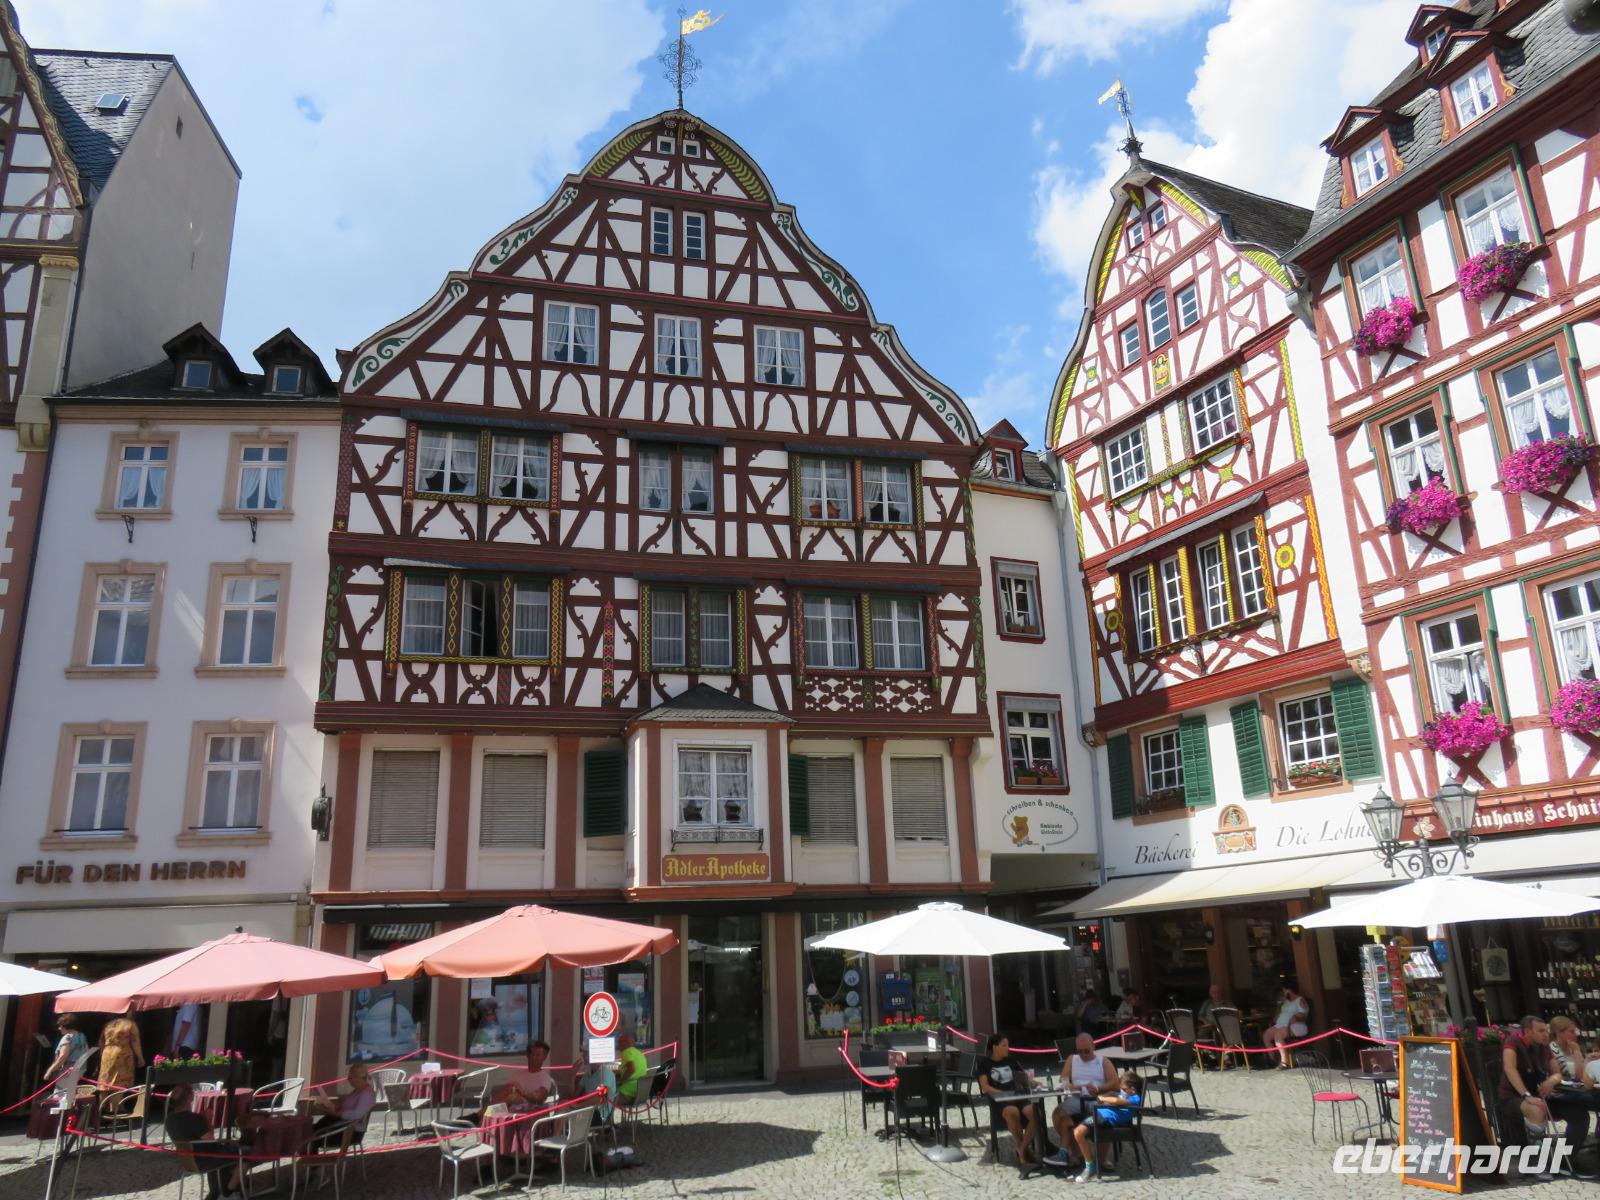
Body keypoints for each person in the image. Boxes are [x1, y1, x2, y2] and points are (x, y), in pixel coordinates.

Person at [1058, 1071, 1143, 1184]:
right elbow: (1116, 1095)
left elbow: (1117, 1100)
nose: (1121, 1090)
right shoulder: (1127, 1094)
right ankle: (1063, 1153)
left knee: (1078, 1132)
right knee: (1065, 1121)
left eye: (1122, 1088)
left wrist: (1102, 1098)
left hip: (1105, 1118)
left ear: (1132, 1089)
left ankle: (1090, 1166)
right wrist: (1112, 1093)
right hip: (1098, 1114)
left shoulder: (1135, 1098)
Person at [1050, 1031, 1118, 1165]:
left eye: (1086, 1051)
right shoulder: (1072, 1059)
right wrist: (1075, 1087)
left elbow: (1115, 1083)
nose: (1083, 1055)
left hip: (1096, 1098)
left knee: (1103, 1116)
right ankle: (1077, 1151)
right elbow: (1063, 1081)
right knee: (1058, 1114)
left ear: (1093, 1046)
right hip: (1077, 1097)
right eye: (1080, 1051)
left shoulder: (1102, 1061)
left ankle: (1103, 1158)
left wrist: (1099, 1088)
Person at [164, 1082, 241, 1200]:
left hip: (188, 1161)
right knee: (241, 1152)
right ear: (190, 1098)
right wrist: (207, 1119)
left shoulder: (169, 1119)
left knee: (226, 1150)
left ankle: (216, 1191)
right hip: (204, 1160)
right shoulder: (194, 1119)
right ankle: (228, 1193)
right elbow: (211, 1139)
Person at [975, 1033, 1037, 1171]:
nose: (1007, 1048)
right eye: (1004, 1045)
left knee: (1034, 1112)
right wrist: (1002, 1094)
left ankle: (1021, 1150)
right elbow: (985, 1087)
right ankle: (1025, 1152)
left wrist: (1034, 1082)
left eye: (1008, 1045)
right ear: (995, 1047)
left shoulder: (1011, 1061)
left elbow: (1024, 1078)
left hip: (1018, 1096)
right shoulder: (984, 1063)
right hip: (1000, 1099)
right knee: (1012, 1111)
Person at [1501, 1016, 1564, 1148]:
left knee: (1578, 1112)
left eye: (1546, 1030)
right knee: (1536, 1109)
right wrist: (1526, 1095)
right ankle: (1537, 1154)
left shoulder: (1544, 1046)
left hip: (1540, 1094)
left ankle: (1568, 1156)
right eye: (1541, 1031)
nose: (1546, 1034)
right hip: (1513, 1096)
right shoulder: (1513, 1042)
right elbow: (1509, 1068)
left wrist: (1550, 1081)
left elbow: (1557, 1073)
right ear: (1527, 1031)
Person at [309, 1062, 377, 1147]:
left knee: (312, 1137)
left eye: (350, 1077)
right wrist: (330, 1106)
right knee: (310, 1131)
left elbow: (356, 1114)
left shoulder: (367, 1094)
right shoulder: (357, 1091)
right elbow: (345, 1107)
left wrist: (337, 1113)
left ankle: (311, 1158)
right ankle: (309, 1157)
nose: (348, 1079)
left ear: (359, 1077)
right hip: (341, 1125)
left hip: (350, 1131)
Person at [495, 1040, 556, 1109]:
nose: (534, 1057)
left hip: (529, 1114)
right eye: (532, 1054)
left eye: (537, 1055)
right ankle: (487, 1113)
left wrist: (521, 1092)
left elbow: (539, 1098)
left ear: (544, 1057)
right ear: (528, 1055)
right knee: (488, 1111)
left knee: (511, 1099)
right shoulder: (517, 1074)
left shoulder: (545, 1078)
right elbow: (498, 1098)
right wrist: (508, 1091)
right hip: (509, 1111)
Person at [1262, 983, 1310, 1069]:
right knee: (1266, 1035)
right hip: (1281, 1025)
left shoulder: (1300, 1000)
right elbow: (1279, 1015)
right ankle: (1273, 1059)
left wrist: (1295, 1017)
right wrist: (1277, 1012)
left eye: (1284, 990)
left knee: (1278, 1035)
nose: (1283, 993)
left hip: (1296, 1026)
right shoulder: (1286, 1002)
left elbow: (1304, 1015)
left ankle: (1285, 1062)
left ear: (1289, 990)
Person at [99, 1017, 145, 1091]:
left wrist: (102, 1053)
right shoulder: (130, 1024)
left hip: (107, 1052)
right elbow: (135, 1041)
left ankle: (103, 1102)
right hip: (122, 1053)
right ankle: (116, 1102)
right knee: (119, 1084)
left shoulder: (109, 1024)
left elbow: (101, 1041)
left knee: (105, 1083)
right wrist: (140, 1057)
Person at [574, 1050, 617, 1125]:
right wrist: (572, 1075)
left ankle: (559, 1134)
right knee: (562, 1107)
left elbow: (599, 1098)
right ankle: (557, 1134)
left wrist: (578, 1106)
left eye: (585, 1054)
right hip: (588, 1109)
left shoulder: (605, 1074)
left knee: (564, 1114)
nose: (583, 1057)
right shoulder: (588, 1074)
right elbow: (574, 1096)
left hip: (599, 1115)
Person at [44, 1014, 89, 1083]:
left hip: (67, 1071)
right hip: (80, 1070)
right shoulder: (82, 1036)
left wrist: (50, 1070)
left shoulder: (67, 1037)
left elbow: (63, 1056)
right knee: (70, 1092)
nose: (59, 1028)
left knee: (60, 1092)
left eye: (60, 1026)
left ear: (66, 1026)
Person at [615, 1033, 649, 1106]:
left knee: (605, 1098)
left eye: (619, 1043)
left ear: (625, 1043)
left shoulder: (626, 1052)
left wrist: (621, 1081)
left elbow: (631, 1069)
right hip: (640, 1093)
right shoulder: (639, 1053)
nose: (618, 1046)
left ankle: (607, 1117)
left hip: (627, 1093)